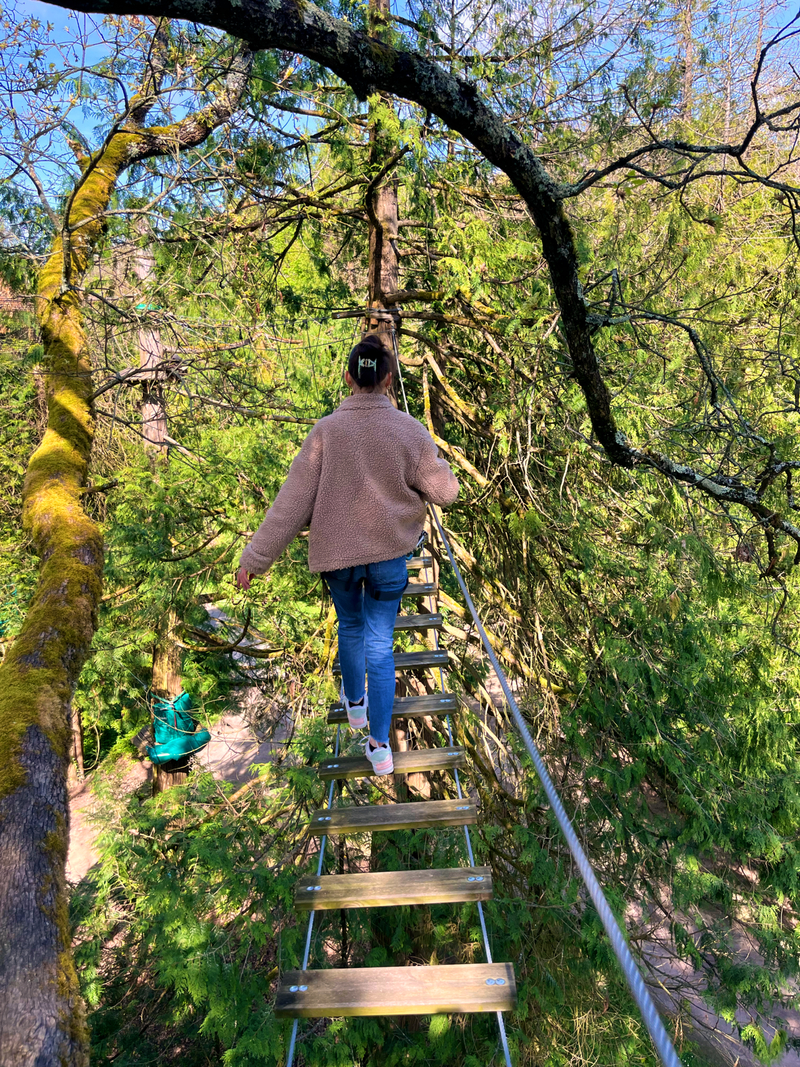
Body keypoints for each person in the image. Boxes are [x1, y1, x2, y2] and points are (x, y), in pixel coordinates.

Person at [235, 333, 459, 775]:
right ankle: (379, 746)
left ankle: (355, 705)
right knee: (380, 644)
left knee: (350, 625)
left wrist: (255, 559)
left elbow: (291, 504)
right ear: (390, 380)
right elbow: (445, 492)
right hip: (390, 557)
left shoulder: (325, 433)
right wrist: (430, 460)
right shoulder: (409, 431)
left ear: (347, 378)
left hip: (337, 557)